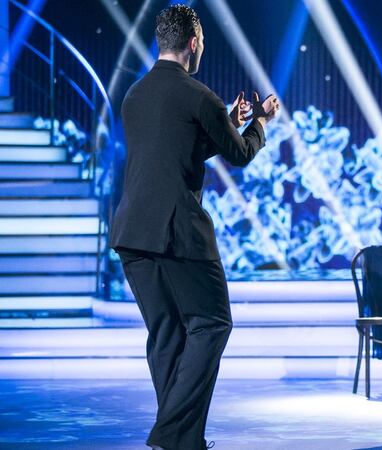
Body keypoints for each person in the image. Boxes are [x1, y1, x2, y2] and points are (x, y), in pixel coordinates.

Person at [110, 5, 279, 449]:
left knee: (167, 334)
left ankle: (182, 442)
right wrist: (259, 122)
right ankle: (171, 435)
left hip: (132, 234)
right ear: (193, 42)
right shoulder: (200, 95)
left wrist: (232, 121)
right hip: (177, 232)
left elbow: (176, 150)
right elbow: (240, 154)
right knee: (211, 323)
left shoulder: (135, 95)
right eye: (202, 40)